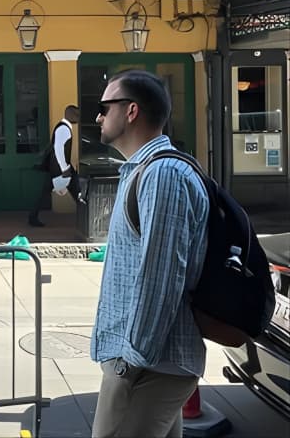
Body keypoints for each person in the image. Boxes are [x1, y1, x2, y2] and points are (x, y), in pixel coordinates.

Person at [90, 70, 209, 438]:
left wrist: (131, 362)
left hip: (151, 366)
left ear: (130, 111)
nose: (97, 117)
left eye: (104, 107)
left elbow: (160, 278)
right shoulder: (144, 170)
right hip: (153, 363)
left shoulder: (163, 175)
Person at [28, 104, 81, 227]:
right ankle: (88, 219)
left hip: (58, 167)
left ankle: (33, 216)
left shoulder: (64, 127)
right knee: (77, 192)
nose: (78, 118)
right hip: (61, 168)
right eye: (76, 115)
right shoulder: (64, 129)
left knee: (48, 192)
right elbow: (58, 149)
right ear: (69, 114)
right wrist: (65, 169)